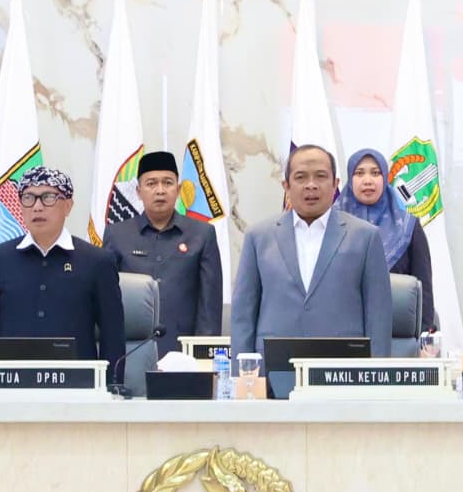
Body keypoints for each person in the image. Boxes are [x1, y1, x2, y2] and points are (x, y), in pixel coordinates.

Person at [230, 144, 392, 357]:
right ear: (286, 186)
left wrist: (377, 372)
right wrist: (242, 372)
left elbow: (379, 317)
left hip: (342, 366)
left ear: (335, 184)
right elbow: (243, 315)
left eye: (321, 176)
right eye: (300, 177)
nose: (311, 185)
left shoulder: (365, 237)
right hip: (274, 366)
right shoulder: (258, 237)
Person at [0, 165, 125, 380]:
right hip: (11, 385)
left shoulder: (97, 261)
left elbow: (113, 336)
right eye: (28, 198)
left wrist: (111, 389)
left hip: (77, 386)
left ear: (68, 206)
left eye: (48, 197)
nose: (37, 207)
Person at [102, 150, 222, 356]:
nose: (160, 190)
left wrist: (202, 356)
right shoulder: (117, 234)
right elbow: (106, 300)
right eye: (151, 183)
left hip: (184, 352)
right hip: (130, 351)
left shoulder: (202, 234)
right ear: (138, 191)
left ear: (178, 189)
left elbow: (209, 306)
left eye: (167, 183)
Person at [339, 148, 436, 332]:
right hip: (343, 332)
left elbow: (423, 288)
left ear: (385, 178)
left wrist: (425, 336)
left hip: (397, 332)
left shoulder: (408, 225)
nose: (368, 180)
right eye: (359, 173)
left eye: (375, 173)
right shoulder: (332, 224)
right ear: (350, 179)